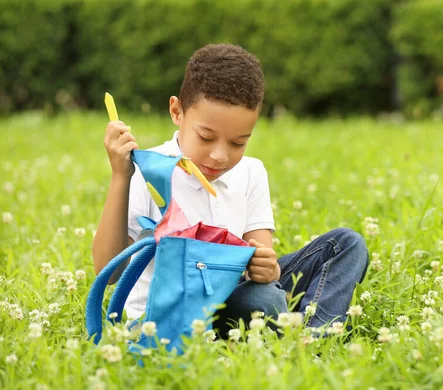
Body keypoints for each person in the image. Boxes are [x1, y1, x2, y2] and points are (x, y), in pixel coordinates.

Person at [92, 44, 369, 336]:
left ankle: (315, 336)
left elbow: (261, 261)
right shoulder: (149, 170)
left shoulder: (250, 172)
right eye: (206, 137)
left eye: (238, 143)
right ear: (177, 111)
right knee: (266, 300)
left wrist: (268, 269)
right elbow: (108, 273)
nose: (220, 156)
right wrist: (121, 176)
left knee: (346, 244)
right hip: (173, 313)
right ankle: (290, 322)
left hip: (234, 292)